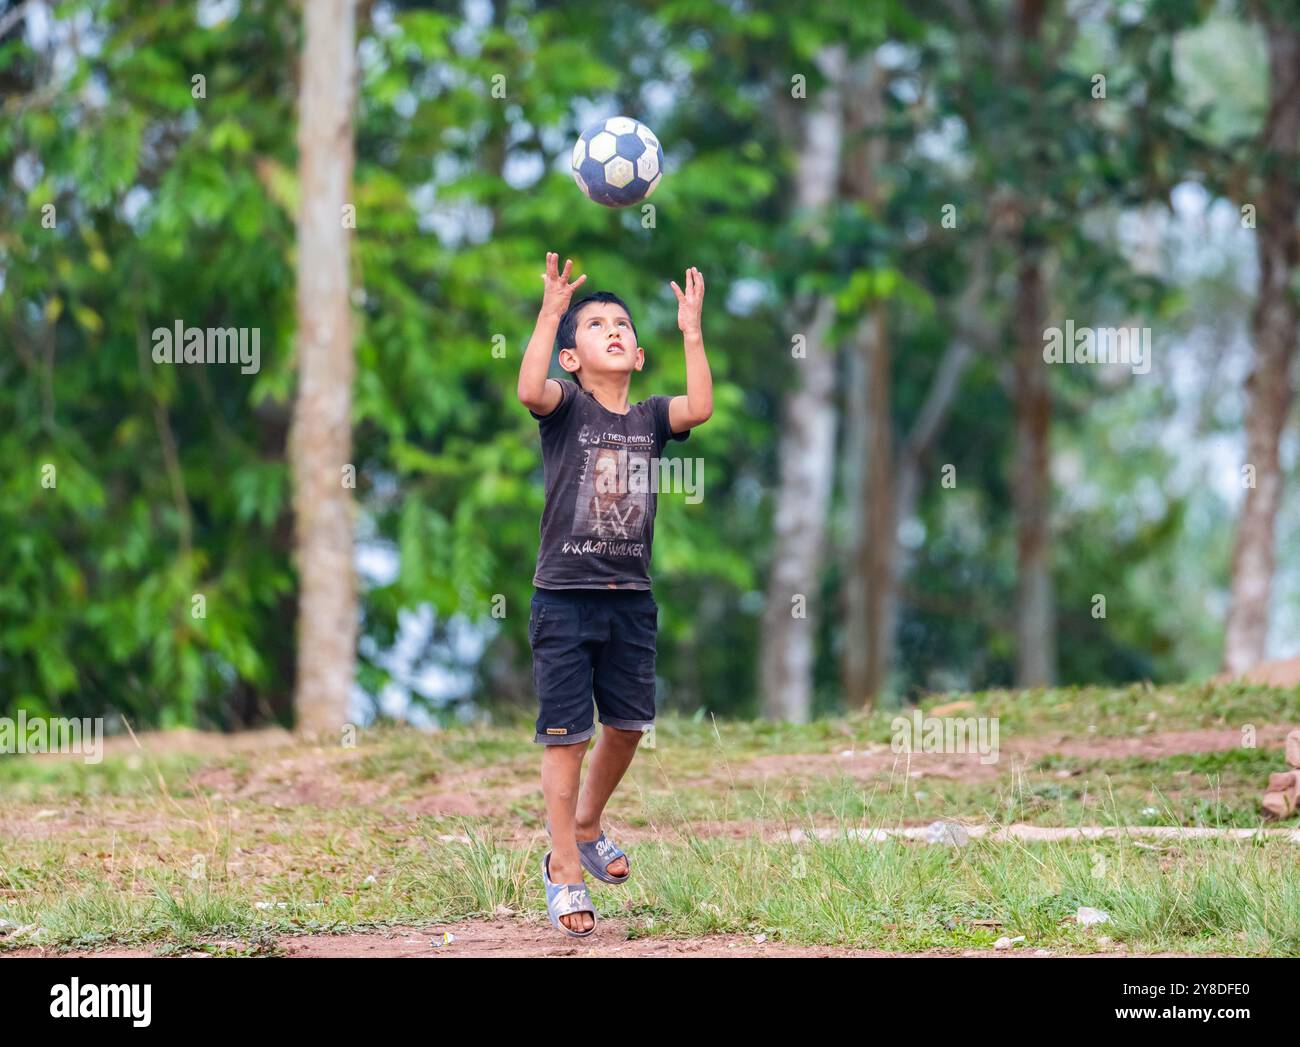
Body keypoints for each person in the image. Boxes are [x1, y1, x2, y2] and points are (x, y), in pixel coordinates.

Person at [516, 253, 713, 936]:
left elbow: (703, 405)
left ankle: (589, 822)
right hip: (564, 599)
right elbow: (526, 389)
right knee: (567, 735)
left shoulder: (653, 418)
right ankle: (564, 868)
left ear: (638, 353)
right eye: (596, 324)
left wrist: (692, 332)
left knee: (628, 725)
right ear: (572, 356)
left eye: (623, 323)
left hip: (630, 597)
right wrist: (549, 313)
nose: (614, 329)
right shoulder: (565, 407)